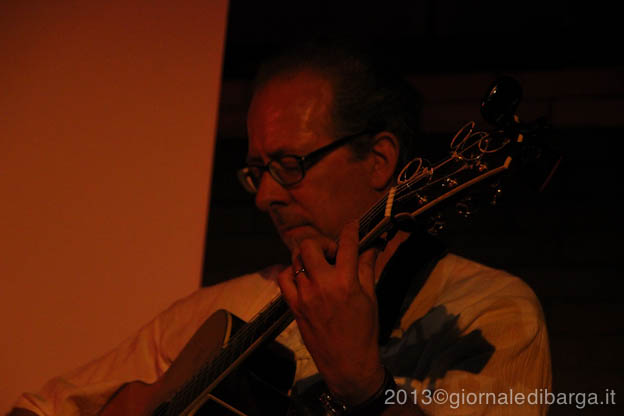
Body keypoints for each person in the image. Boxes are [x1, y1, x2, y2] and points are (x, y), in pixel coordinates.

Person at [10, 41, 551, 415]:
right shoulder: (213, 316)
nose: (265, 196)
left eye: (290, 164)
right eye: (256, 171)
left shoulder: (488, 313)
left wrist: (365, 387)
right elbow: (39, 409)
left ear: (379, 160)